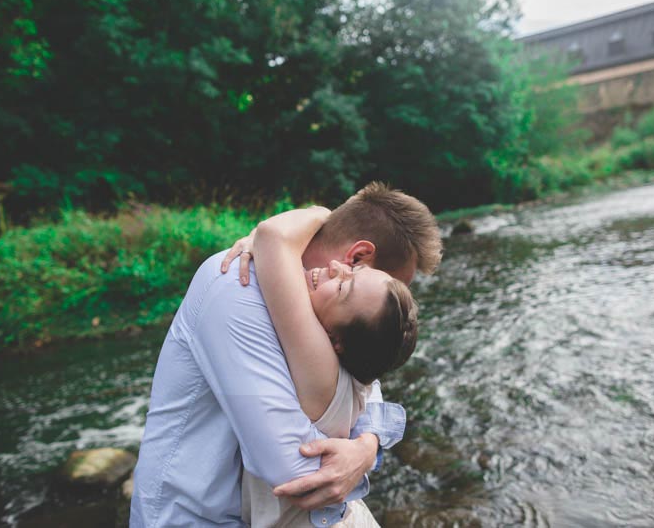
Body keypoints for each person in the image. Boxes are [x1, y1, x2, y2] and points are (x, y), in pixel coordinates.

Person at [130, 183, 442, 527]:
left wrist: (366, 447)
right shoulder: (239, 288)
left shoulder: (331, 319)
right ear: (356, 258)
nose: (388, 314)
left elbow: (365, 375)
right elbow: (295, 472)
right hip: (195, 517)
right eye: (391, 285)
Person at [242, 205, 419, 526]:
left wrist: (322, 211)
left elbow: (272, 236)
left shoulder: (320, 369)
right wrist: (369, 444)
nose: (338, 268)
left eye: (342, 288)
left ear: (332, 339)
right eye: (357, 272)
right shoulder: (358, 370)